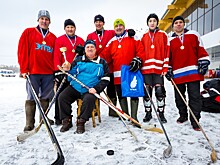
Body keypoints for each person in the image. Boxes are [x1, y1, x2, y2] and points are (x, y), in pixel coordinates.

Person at [165, 16, 210, 131]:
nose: (178, 24)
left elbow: (201, 50)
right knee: (179, 97)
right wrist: (168, 69)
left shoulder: (193, 35)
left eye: (180, 22)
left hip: (193, 72)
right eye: (176, 23)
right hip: (177, 74)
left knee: (194, 97)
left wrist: (203, 62)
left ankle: (195, 120)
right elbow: (167, 57)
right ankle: (183, 115)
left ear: (183, 24)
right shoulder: (169, 41)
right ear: (173, 26)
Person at [87, 14, 136, 117]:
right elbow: (88, 47)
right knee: (95, 86)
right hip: (97, 65)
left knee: (111, 89)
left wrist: (129, 31)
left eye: (100, 21)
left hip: (112, 67)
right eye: (97, 21)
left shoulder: (111, 33)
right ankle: (95, 109)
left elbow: (121, 32)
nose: (98, 23)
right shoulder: (90, 35)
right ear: (94, 23)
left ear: (103, 23)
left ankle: (113, 110)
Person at [58, 40, 110, 133]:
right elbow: (71, 72)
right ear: (85, 50)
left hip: (91, 89)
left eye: (92, 47)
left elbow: (106, 79)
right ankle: (67, 120)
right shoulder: (78, 60)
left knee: (89, 100)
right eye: (87, 47)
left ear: (95, 49)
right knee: (62, 97)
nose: (90, 49)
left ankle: (81, 121)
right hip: (76, 87)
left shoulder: (102, 62)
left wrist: (96, 89)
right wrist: (67, 69)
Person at [17, 10, 57, 132]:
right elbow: (22, 51)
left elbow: (55, 56)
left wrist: (55, 71)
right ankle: (29, 123)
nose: (44, 21)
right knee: (31, 96)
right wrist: (24, 69)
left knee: (45, 97)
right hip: (32, 72)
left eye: (46, 19)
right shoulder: (28, 32)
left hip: (48, 73)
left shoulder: (53, 37)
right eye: (42, 19)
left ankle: (43, 119)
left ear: (49, 21)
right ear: (38, 20)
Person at [100, 18, 145, 122]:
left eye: (120, 25)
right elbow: (104, 56)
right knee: (121, 94)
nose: (118, 28)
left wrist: (138, 59)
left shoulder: (132, 37)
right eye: (116, 26)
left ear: (124, 27)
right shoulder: (112, 41)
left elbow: (140, 50)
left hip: (131, 71)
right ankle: (126, 115)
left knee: (133, 93)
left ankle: (134, 116)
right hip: (117, 74)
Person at [53, 19, 84, 125]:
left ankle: (80, 117)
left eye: (72, 27)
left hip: (75, 74)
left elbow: (83, 58)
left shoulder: (80, 40)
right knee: (60, 95)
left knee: (72, 94)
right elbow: (56, 56)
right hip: (63, 72)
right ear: (65, 29)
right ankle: (60, 118)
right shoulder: (59, 40)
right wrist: (58, 70)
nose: (70, 29)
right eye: (68, 27)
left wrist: (81, 52)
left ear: (75, 28)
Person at [141, 13, 170, 123]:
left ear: (157, 22)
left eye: (154, 21)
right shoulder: (143, 36)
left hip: (158, 69)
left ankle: (161, 113)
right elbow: (140, 52)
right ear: (148, 23)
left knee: (159, 91)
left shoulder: (163, 34)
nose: (152, 23)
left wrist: (165, 67)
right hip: (146, 70)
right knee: (147, 92)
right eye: (150, 21)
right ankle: (148, 113)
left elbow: (167, 51)